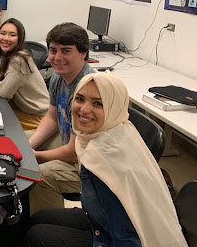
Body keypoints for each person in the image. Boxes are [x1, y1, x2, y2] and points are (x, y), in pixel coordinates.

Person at [26, 72, 187, 247]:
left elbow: (125, 235)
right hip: (101, 218)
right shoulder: (119, 129)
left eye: (98, 103)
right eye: (79, 99)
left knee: (38, 235)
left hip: (122, 237)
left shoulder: (103, 160)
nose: (84, 109)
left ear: (112, 107)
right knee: (39, 218)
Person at [28, 22, 94, 214]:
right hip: (71, 145)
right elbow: (52, 117)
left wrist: (37, 157)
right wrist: (29, 146)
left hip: (88, 166)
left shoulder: (87, 89)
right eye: (53, 50)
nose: (57, 58)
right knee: (16, 142)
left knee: (38, 175)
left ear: (83, 53)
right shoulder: (59, 76)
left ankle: (44, 229)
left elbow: (74, 153)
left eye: (66, 51)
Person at [0, 18, 49, 131]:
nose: (6, 38)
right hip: (20, 107)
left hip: (36, 115)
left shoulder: (19, 60)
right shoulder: (4, 53)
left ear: (19, 39)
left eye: (12, 35)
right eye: (3, 33)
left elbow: (5, 92)